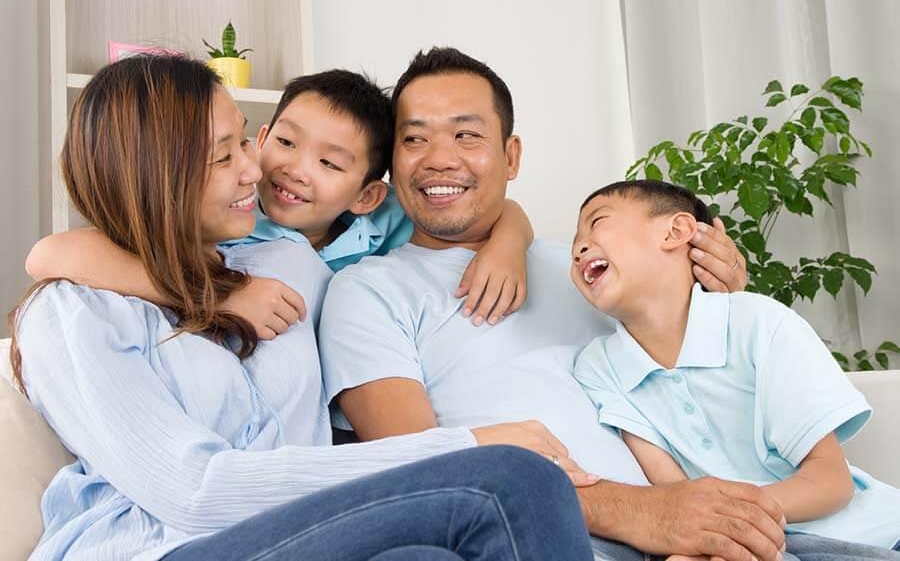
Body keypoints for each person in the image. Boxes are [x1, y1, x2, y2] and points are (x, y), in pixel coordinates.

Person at [7, 55, 597, 561]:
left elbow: (452, 214)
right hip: (158, 546)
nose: (255, 167)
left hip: (293, 534)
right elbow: (195, 494)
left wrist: (511, 237)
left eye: (244, 138)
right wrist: (468, 448)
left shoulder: (293, 264)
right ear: (155, 173)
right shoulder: (74, 312)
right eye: (223, 156)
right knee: (513, 483)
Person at [316, 47, 795, 561]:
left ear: (511, 155)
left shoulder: (592, 267)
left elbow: (713, 392)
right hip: (548, 536)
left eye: (466, 134)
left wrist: (722, 299)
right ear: (391, 163)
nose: (439, 158)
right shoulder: (366, 292)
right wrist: (651, 512)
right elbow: (421, 469)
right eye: (414, 138)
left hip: (709, 520)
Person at [25, 69, 535, 336]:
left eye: (329, 164)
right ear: (263, 137)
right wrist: (215, 295)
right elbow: (47, 255)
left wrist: (508, 243)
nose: (293, 170)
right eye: (285, 144)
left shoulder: (384, 222)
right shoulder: (230, 223)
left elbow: (482, 210)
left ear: (366, 195)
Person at [570, 179, 900, 556]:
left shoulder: (758, 323)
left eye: (596, 222)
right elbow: (675, 497)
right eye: (574, 241)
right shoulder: (599, 367)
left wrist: (728, 516)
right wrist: (709, 535)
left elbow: (831, 481)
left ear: (677, 231)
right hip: (748, 543)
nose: (577, 249)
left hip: (868, 534)